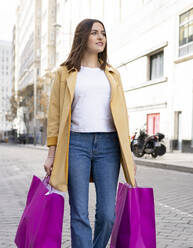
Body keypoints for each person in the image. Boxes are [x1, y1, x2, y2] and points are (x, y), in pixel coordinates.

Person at [44, 18, 137, 248]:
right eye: (94, 32)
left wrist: (129, 154)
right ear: (82, 37)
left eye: (103, 33)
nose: (100, 37)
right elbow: (55, 115)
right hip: (76, 144)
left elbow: (122, 116)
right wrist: (51, 153)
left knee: (108, 214)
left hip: (109, 146)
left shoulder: (113, 74)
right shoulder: (65, 73)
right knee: (79, 213)